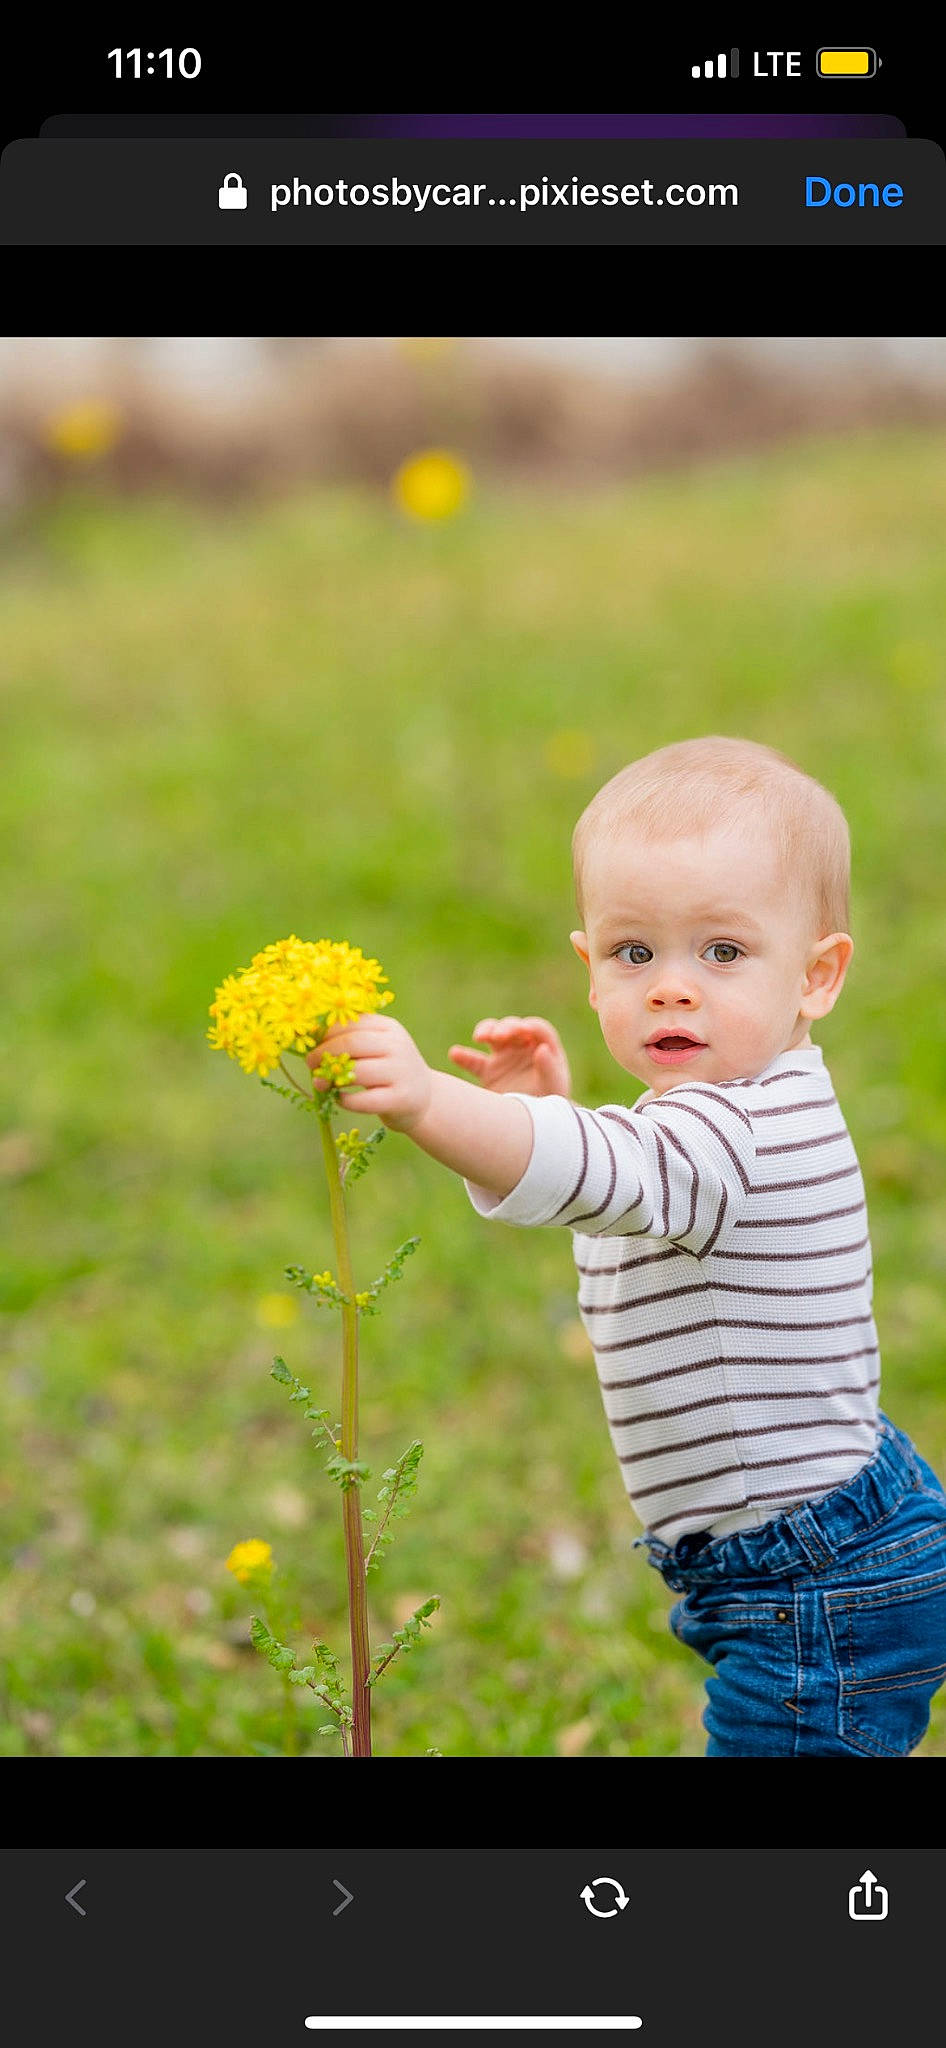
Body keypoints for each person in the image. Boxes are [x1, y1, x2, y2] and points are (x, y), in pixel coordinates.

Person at [307, 735, 946, 1756]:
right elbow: (619, 1181)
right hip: (803, 1557)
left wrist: (436, 1102)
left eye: (723, 952)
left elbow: (618, 1167)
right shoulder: (710, 1122)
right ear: (587, 962)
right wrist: (548, 1115)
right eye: (633, 952)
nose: (671, 986)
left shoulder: (741, 1128)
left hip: (818, 1578)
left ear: (816, 976)